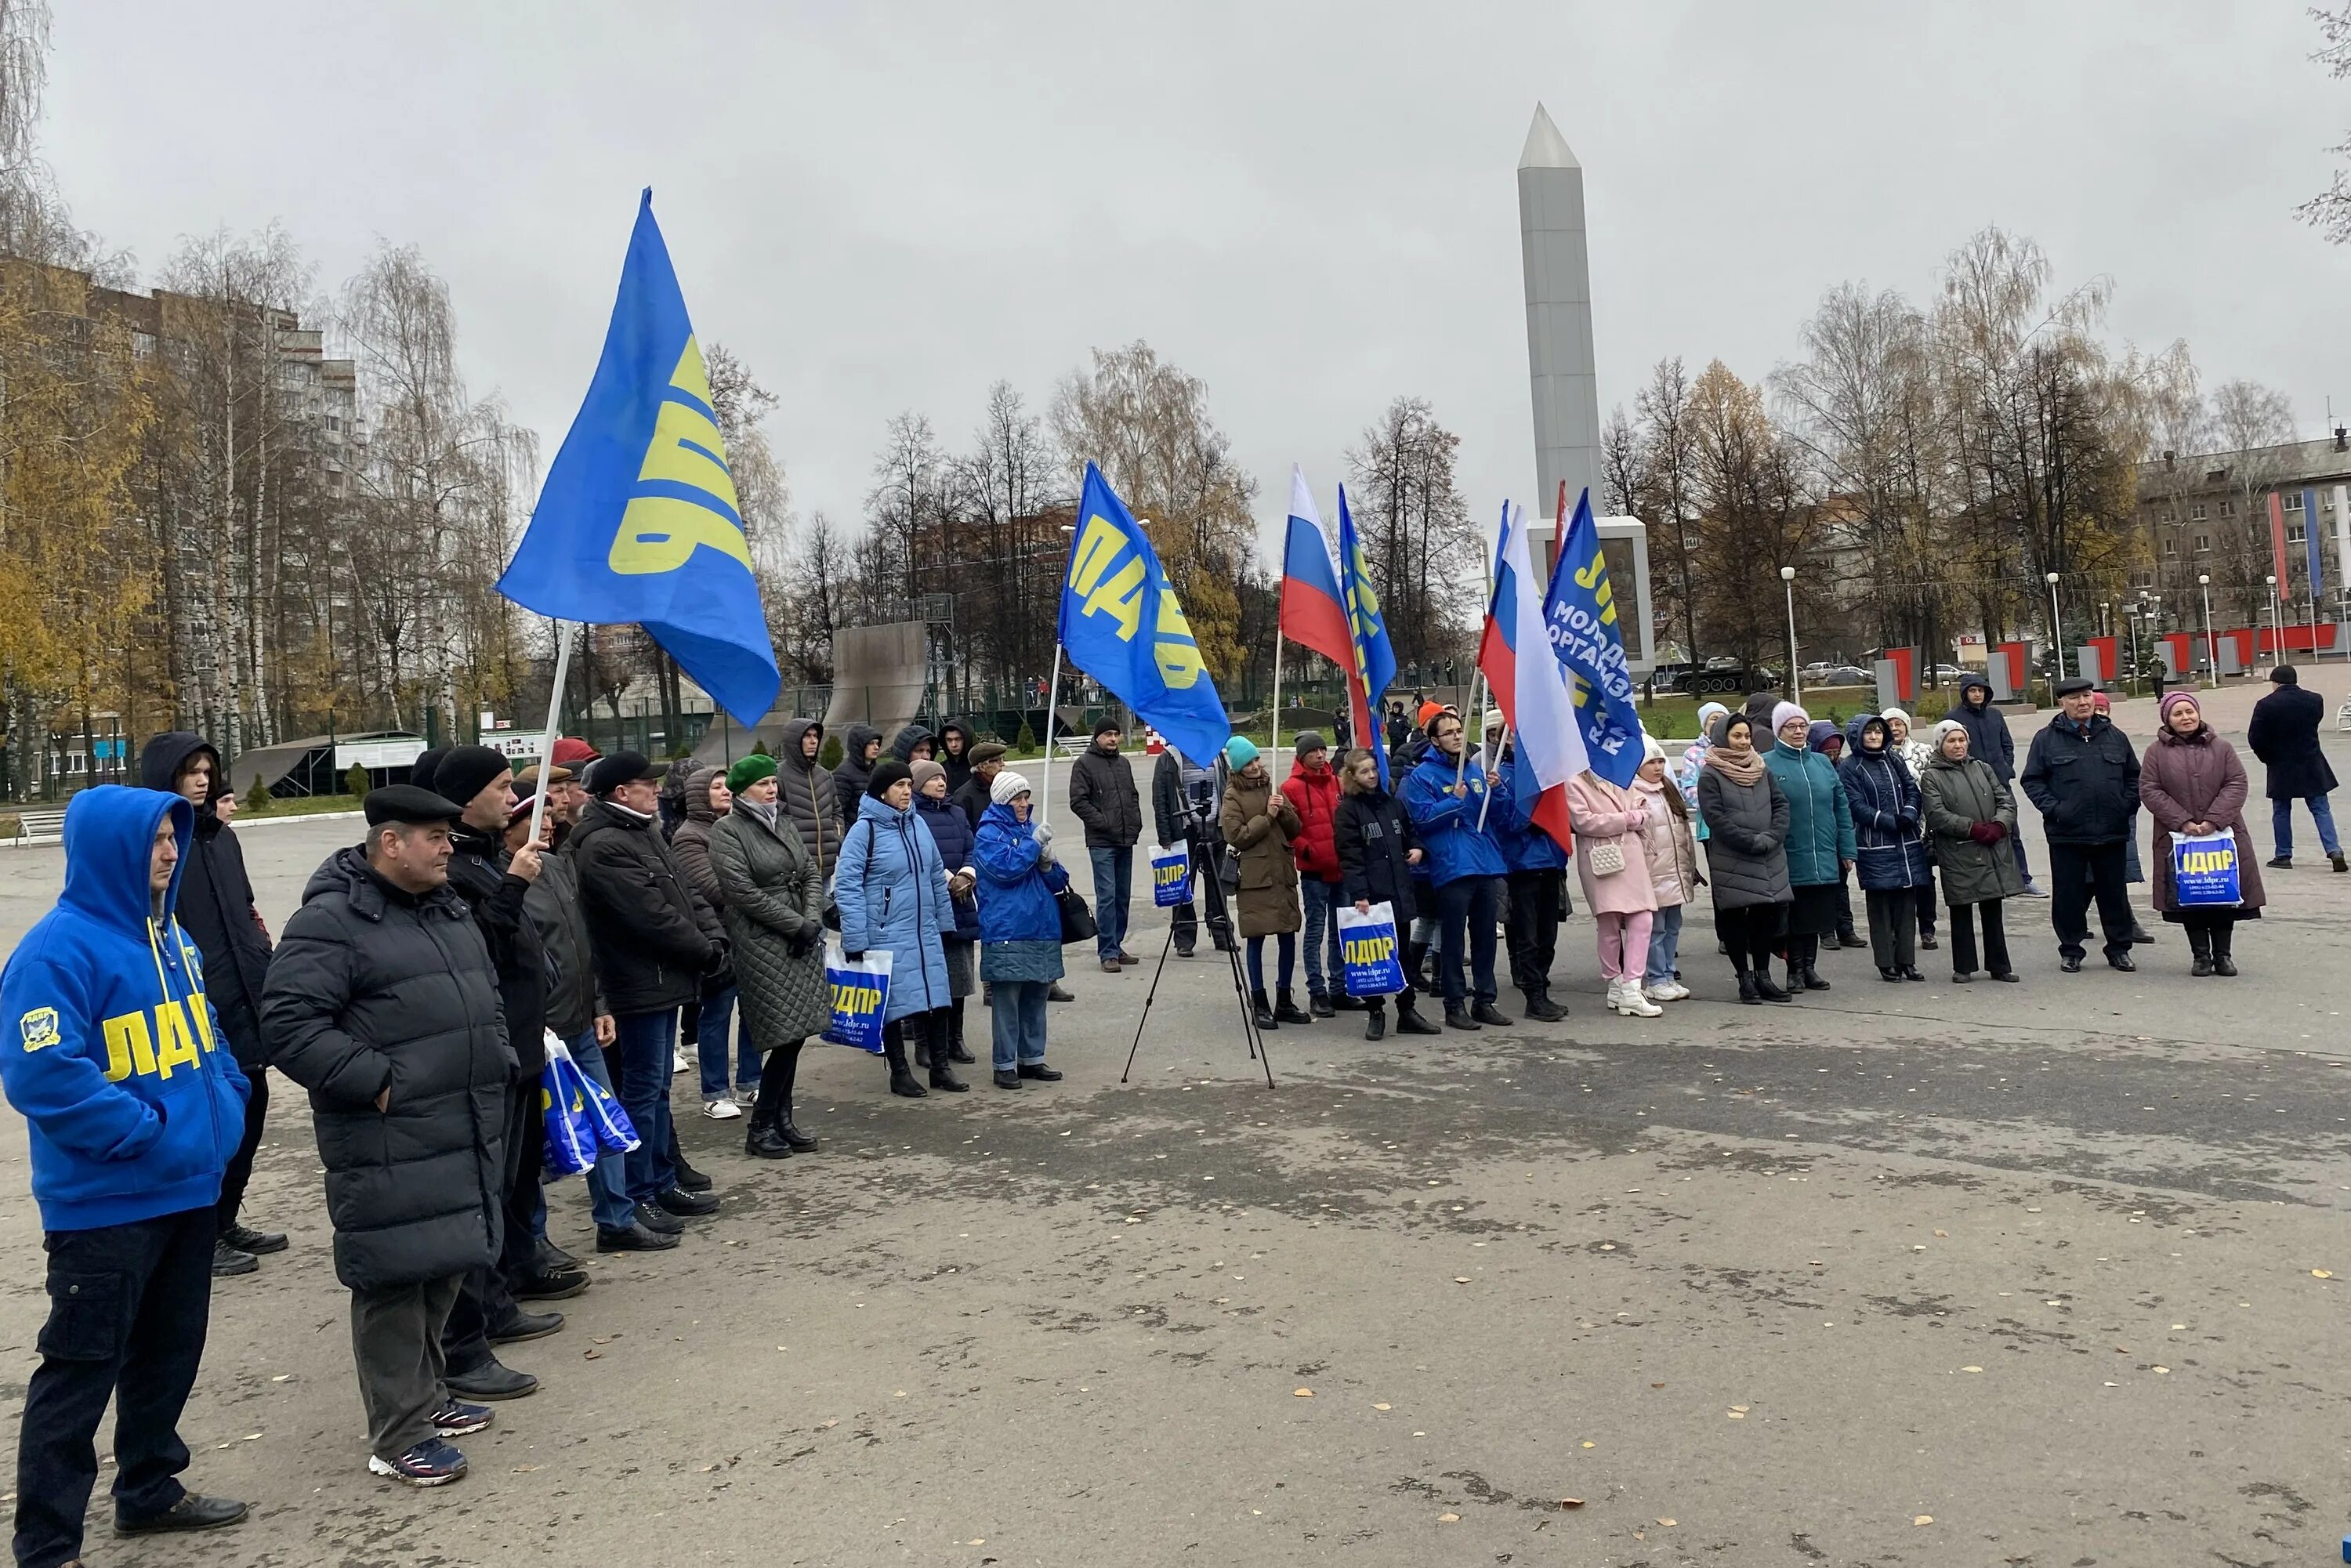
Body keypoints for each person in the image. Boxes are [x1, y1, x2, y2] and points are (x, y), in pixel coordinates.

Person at [1, 786, 252, 1559]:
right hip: (105, 1206)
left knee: (168, 1353)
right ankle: (48, 1545)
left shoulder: (170, 937)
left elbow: (205, 1038)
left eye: (174, 839)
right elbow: (44, 1077)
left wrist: (229, 1103)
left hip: (187, 1191)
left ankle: (148, 1488)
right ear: (109, 847)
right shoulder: (55, 952)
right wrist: (145, 1133)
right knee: (80, 1373)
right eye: (154, 841)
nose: (170, 853)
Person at [264, 786, 513, 1487]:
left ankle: (427, 1398)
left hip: (459, 1119)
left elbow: (480, 995)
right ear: (390, 843)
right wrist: (375, 1079)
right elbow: (288, 1025)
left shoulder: (445, 906)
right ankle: (397, 1433)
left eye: (449, 836)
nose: (447, 848)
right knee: (397, 1279)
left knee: (445, 1264)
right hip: (387, 1131)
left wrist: (498, 1058)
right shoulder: (331, 922)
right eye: (434, 836)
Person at [429, 744, 577, 1382]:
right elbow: (484, 942)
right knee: (486, 1189)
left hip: (521, 1040)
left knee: (516, 1178)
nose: (510, 798)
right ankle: (479, 1313)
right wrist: (514, 881)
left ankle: (508, 1284)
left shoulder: (484, 857)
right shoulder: (460, 869)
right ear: (466, 799)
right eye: (498, 787)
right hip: (492, 1052)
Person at [136, 731, 284, 1280]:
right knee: (206, 1125)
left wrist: (263, 957)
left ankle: (223, 1217)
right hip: (194, 1003)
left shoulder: (222, 837)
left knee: (251, 1105)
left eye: (207, 770)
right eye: (189, 771)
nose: (202, 780)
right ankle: (200, 1236)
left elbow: (245, 905)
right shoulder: (153, 843)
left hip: (244, 993)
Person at [505, 777, 668, 1252]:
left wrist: (600, 1005)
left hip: (580, 1021)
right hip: (541, 1030)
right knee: (540, 1136)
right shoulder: (505, 880)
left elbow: (581, 944)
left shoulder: (557, 868)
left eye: (554, 819)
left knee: (606, 1119)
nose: (551, 827)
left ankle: (616, 1219)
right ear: (513, 827)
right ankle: (534, 1239)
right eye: (538, 819)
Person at [567, 753, 727, 1226]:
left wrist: (712, 937)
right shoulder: (604, 845)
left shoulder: (643, 830)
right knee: (640, 1091)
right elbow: (650, 916)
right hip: (637, 984)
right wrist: (704, 951)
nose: (655, 790)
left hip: (661, 980)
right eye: (646, 784)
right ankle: (639, 1191)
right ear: (621, 793)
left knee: (655, 1089)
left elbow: (684, 894)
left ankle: (659, 1180)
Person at [707, 753, 830, 1157]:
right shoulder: (728, 830)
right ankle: (760, 1126)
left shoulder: (784, 821)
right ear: (743, 791)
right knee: (782, 1032)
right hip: (763, 940)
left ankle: (782, 1118)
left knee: (797, 1033)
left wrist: (810, 920)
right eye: (762, 785)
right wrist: (795, 924)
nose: (771, 789)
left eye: (773, 783)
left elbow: (810, 872)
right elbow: (741, 892)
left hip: (799, 934)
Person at [837, 759, 961, 1095]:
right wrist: (857, 938)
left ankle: (940, 1068)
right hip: (886, 933)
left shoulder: (918, 824)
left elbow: (936, 874)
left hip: (924, 931)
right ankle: (900, 1072)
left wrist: (944, 921)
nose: (907, 792)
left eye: (909, 785)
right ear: (882, 792)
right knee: (892, 1006)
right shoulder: (865, 831)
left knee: (937, 998)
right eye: (900, 786)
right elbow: (847, 886)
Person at [2020, 678, 2142, 973]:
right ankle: (2071, 949)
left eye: (2087, 695)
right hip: (2067, 835)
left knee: (2114, 895)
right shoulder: (2046, 739)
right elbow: (2032, 781)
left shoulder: (2114, 735)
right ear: (2062, 702)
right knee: (2069, 895)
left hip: (2111, 832)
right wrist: (2057, 810)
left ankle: (2119, 949)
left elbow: (2134, 777)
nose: (2082, 702)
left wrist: (2125, 806)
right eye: (2074, 697)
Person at [1397, 712, 1510, 1030]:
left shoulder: (1474, 769)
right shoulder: (1424, 776)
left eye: (1460, 730)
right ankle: (1454, 1003)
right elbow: (1422, 819)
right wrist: (1455, 802)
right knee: (1452, 939)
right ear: (1434, 740)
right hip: (1453, 865)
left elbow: (1497, 817)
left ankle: (1485, 1001)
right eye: (1449, 733)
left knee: (1486, 937)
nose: (1458, 736)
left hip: (1484, 863)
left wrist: (1497, 790)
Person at [2140, 691, 2266, 977]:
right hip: (2179, 837)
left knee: (2222, 893)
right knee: (2191, 895)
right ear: (2168, 720)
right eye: (2178, 714)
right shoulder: (2155, 753)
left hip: (2223, 834)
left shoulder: (2221, 748)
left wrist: (2213, 820)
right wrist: (2182, 821)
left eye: (2189, 712)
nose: (2186, 718)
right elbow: (2150, 789)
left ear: (2198, 713)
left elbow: (2236, 783)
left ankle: (2223, 955)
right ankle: (2200, 956)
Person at [1331, 748, 1439, 1039]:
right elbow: (1349, 856)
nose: (1372, 775)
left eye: (1374, 769)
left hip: (1398, 891)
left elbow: (1408, 832)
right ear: (1352, 776)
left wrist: (1417, 848)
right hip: (1373, 895)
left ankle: (1407, 1011)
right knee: (1374, 958)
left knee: (1401, 954)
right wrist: (1360, 894)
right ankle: (1375, 1011)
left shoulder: (1392, 804)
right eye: (1365, 771)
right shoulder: (1348, 811)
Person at [973, 772, 1070, 1088]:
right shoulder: (988, 834)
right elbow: (1005, 870)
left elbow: (1059, 883)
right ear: (1002, 800)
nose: (1025, 804)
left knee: (1036, 997)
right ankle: (1003, 1065)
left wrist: (1049, 864)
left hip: (1041, 927)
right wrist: (1033, 847)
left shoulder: (1031, 830)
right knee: (1007, 1001)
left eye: (1027, 797)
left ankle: (1032, 1059)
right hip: (1007, 929)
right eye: (1018, 798)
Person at [671, 767, 755, 1119]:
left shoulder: (739, 827)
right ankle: (715, 1092)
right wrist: (756, 886)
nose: (725, 791)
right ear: (697, 796)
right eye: (715, 787)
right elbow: (712, 888)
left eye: (726, 785)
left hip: (750, 936)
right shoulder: (690, 836)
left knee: (754, 1013)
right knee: (717, 1014)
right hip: (718, 938)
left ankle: (751, 1082)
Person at [1698, 712, 1794, 1003]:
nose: (1743, 742)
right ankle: (1745, 979)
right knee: (1736, 920)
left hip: (1768, 853)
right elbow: (1716, 818)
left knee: (1766, 917)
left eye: (1746, 736)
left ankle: (1763, 975)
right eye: (1736, 736)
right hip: (1733, 857)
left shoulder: (1761, 768)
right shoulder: (1710, 774)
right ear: (1722, 737)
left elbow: (1780, 805)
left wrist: (1772, 836)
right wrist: (1750, 841)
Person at [1918, 720, 2022, 983]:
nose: (1958, 746)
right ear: (1941, 745)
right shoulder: (1932, 775)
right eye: (1951, 741)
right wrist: (1972, 829)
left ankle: (1999, 965)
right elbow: (1937, 814)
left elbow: (2005, 799)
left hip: (1991, 846)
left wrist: (1999, 825)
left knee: (1992, 906)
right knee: (1962, 909)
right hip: (1958, 850)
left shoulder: (1982, 768)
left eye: (1961, 740)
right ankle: (1963, 967)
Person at [1764, 704, 1856, 992]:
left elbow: (1841, 806)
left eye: (1802, 726)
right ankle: (1794, 970)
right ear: (1779, 731)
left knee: (1816, 914)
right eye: (1791, 727)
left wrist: (1847, 849)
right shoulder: (1767, 763)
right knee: (1794, 916)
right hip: (1788, 851)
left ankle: (1809, 968)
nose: (1798, 732)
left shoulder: (1821, 762)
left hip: (1824, 850)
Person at [1220, 737, 1311, 1030]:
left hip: (1281, 873)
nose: (1256, 766)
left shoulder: (1274, 789)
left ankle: (1284, 999)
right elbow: (1237, 835)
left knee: (1287, 936)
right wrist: (1267, 816)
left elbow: (1295, 828)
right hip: (1255, 879)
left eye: (1257, 759)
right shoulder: (1232, 796)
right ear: (1238, 767)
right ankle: (1259, 1002)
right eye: (1249, 763)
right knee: (1256, 938)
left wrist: (1283, 810)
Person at [1565, 762, 1663, 1018]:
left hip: (1630, 855)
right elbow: (1584, 821)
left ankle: (1631, 986)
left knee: (1643, 917)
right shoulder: (1574, 780)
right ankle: (1616, 983)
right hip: (1601, 858)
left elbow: (1643, 807)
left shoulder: (1621, 773)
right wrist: (1628, 818)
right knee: (1608, 921)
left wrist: (1635, 816)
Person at [1839, 715, 1931, 983]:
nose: (1874, 737)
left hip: (1906, 841)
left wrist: (1910, 814)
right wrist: (1889, 821)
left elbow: (1913, 789)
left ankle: (1907, 960)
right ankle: (1886, 961)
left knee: (1906, 905)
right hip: (1875, 843)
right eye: (1868, 733)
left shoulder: (1893, 759)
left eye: (1879, 733)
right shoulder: (1851, 767)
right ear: (1858, 736)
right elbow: (1856, 805)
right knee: (1881, 907)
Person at [1491, 741, 1570, 1020]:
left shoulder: (1549, 773)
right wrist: (1531, 817)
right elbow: (1504, 823)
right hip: (1523, 865)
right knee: (1528, 936)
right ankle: (1533, 996)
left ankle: (1542, 990)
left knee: (1548, 935)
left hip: (1551, 862)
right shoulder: (1504, 775)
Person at [912, 759, 982, 1070]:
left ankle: (956, 1038)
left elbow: (971, 846)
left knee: (959, 977)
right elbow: (920, 854)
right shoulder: (913, 817)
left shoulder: (956, 813)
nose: (941, 783)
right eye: (932, 779)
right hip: (931, 903)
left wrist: (967, 874)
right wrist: (947, 878)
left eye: (942, 778)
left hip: (961, 902)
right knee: (927, 981)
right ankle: (925, 1043)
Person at [1951, 672, 2042, 896]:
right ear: (1965, 694)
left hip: (2001, 783)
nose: (1977, 694)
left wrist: (2006, 766)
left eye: (1981, 690)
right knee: (1981, 834)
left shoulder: (1995, 715)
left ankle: (2023, 879)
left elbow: (2007, 744)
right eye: (1973, 691)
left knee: (2011, 831)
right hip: (1972, 786)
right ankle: (1989, 882)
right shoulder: (1953, 719)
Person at [2247, 664, 2345, 871]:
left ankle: (2283, 855)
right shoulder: (2315, 700)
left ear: (2275, 682)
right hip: (2311, 761)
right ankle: (2334, 850)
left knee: (2281, 810)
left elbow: (2255, 737)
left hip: (2280, 764)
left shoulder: (2266, 705)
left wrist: (2267, 758)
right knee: (2320, 808)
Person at [1281, 732, 1351, 1016]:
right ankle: (1317, 991)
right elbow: (1287, 831)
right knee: (1315, 932)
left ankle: (1339, 988)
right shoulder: (1290, 788)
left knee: (1340, 931)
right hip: (1314, 873)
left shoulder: (1336, 782)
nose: (1321, 756)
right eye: (1314, 752)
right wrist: (1306, 850)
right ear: (1302, 756)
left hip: (1341, 869)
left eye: (1323, 750)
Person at [1068, 717, 1143, 973]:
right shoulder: (1084, 765)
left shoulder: (1123, 763)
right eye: (1108, 734)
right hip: (1102, 841)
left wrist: (1136, 822)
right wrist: (1103, 822)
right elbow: (1078, 801)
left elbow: (1132, 795)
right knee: (1107, 896)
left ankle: (1117, 944)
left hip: (1125, 839)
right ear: (1097, 737)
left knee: (1122, 896)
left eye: (1116, 734)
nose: (1113, 739)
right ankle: (1107, 951)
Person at [1151, 739, 1235, 958]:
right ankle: (1184, 939)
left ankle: (1222, 934)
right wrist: (1165, 836)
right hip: (1184, 830)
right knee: (1183, 889)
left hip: (1214, 827)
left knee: (1217, 886)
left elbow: (1226, 787)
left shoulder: (1216, 754)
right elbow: (1160, 800)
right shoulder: (1168, 758)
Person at [1634, 734, 1701, 1004]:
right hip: (1651, 873)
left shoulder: (1668, 790)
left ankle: (1668, 973)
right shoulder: (1634, 794)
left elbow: (1683, 832)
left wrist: (1690, 867)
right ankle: (1655, 978)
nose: (1658, 767)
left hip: (1675, 873)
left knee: (1673, 925)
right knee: (1655, 928)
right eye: (1652, 762)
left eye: (1661, 761)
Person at [1882, 708, 1940, 951]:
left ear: (1907, 726)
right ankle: (1899, 931)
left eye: (1899, 723)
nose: (1895, 728)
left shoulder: (1923, 752)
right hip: (1891, 828)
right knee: (1897, 884)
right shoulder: (1878, 755)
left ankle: (1927, 929)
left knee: (1924, 881)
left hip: (1922, 827)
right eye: (1890, 724)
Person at [1806, 720, 1864, 951]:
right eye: (1827, 750)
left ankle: (1846, 929)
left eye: (1836, 750)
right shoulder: (1812, 767)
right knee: (1822, 888)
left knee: (1841, 886)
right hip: (1819, 835)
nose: (1832, 754)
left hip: (1840, 833)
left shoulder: (1844, 768)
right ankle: (1826, 931)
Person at [833, 723, 883, 825]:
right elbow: (838, 812)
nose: (876, 747)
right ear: (859, 745)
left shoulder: (879, 772)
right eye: (871, 743)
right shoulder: (842, 775)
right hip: (855, 832)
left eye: (877, 743)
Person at [955, 740, 1007, 829]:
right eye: (998, 760)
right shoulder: (963, 797)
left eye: (1002, 759)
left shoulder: (1003, 787)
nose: (1003, 764)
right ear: (982, 767)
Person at [937, 719, 980, 798]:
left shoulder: (978, 768)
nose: (953, 745)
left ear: (966, 739)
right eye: (949, 740)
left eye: (958, 739)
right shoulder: (941, 769)